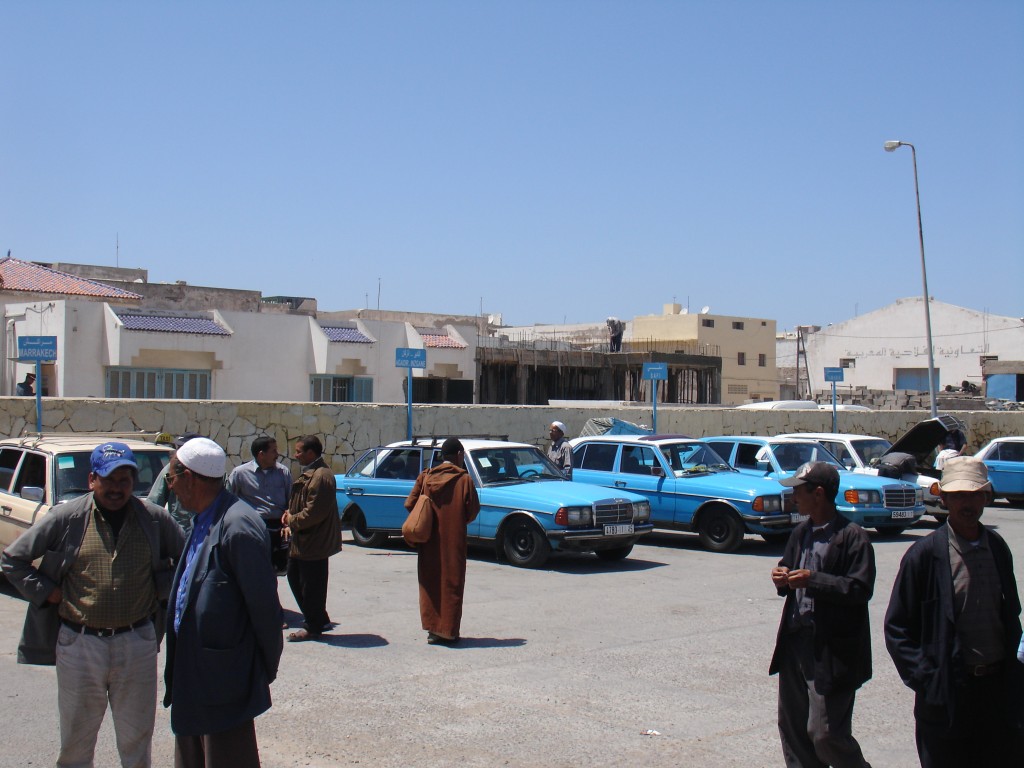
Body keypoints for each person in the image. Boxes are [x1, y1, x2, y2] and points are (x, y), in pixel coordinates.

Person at [1, 442, 185, 768]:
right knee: (76, 741)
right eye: (108, 480)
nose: (116, 488)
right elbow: (13, 559)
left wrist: (159, 587)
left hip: (137, 641)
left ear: (134, 482)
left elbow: (187, 562)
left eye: (124, 480)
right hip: (79, 644)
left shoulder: (153, 519)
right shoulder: (67, 518)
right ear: (92, 480)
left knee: (136, 740)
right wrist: (47, 591)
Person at [884, 456, 1024, 767]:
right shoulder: (924, 556)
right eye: (959, 495)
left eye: (975, 494)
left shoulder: (997, 548)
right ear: (944, 498)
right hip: (947, 693)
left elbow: (1010, 615)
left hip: (996, 691)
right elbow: (897, 629)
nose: (968, 503)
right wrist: (928, 679)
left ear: (986, 497)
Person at [162, 437, 283, 768]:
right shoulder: (203, 519)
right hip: (194, 672)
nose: (171, 488)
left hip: (223, 681)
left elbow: (265, 611)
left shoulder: (237, 525)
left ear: (189, 477)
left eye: (172, 479)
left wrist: (257, 671)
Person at [769, 461, 875, 768]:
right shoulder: (801, 532)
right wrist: (781, 576)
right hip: (796, 644)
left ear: (818, 494)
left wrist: (813, 580)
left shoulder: (853, 537)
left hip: (831, 651)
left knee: (825, 733)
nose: (793, 499)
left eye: (798, 492)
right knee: (793, 728)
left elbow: (858, 589)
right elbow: (788, 568)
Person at [404, 437, 480, 645]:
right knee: (451, 584)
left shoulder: (426, 477)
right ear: (458, 456)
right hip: (453, 541)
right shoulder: (464, 480)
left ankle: (432, 630)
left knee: (430, 582)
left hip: (428, 541)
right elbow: (471, 511)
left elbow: (410, 504)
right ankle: (448, 631)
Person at [281, 435, 341, 642]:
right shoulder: (311, 473)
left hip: (314, 542)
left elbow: (315, 512)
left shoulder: (321, 476)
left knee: (311, 585)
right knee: (296, 578)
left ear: (310, 453)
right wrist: (290, 513)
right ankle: (319, 619)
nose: (295, 455)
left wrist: (292, 520)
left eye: (298, 451)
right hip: (303, 540)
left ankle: (313, 626)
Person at [227, 435, 292, 573]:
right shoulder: (240, 474)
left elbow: (290, 501)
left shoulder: (283, 472)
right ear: (261, 454)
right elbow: (228, 500)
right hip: (252, 527)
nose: (277, 454)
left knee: (278, 570)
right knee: (254, 569)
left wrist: (287, 524)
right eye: (273, 451)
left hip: (278, 529)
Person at [147, 433, 202, 532]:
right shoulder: (170, 469)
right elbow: (153, 504)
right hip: (180, 535)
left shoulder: (212, 473)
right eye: (178, 448)